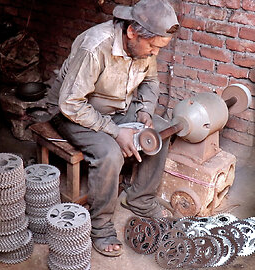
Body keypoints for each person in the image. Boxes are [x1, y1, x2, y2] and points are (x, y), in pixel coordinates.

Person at [47, 0, 179, 257]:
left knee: (160, 131)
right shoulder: (95, 46)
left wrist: (144, 111)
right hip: (73, 112)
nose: (154, 53)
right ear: (132, 32)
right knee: (110, 153)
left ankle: (140, 199)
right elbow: (71, 104)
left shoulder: (146, 48)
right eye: (152, 46)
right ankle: (101, 227)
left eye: (159, 48)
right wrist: (116, 132)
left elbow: (150, 82)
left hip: (116, 107)